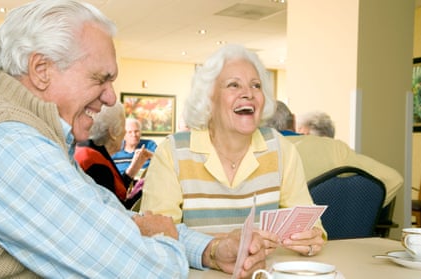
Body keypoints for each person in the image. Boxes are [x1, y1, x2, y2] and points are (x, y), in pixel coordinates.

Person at [0, 1, 268, 278]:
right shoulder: (8, 144)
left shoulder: (25, 131)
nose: (110, 97)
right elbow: (146, 271)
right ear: (41, 70)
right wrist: (164, 238)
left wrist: (210, 251)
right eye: (100, 78)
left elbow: (112, 217)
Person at [140, 44, 326, 257]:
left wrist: (311, 238)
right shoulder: (172, 152)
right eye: (233, 85)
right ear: (209, 98)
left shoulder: (280, 148)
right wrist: (217, 251)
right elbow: (156, 238)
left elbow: (312, 226)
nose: (248, 93)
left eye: (256, 86)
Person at [266, 100, 404, 207]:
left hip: (289, 239)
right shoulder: (334, 148)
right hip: (345, 238)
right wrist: (361, 213)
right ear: (294, 120)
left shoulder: (259, 153)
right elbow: (393, 179)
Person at [74, 102, 143, 209]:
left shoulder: (88, 150)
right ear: (112, 132)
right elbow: (117, 209)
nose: (125, 132)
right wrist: (145, 190)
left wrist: (133, 170)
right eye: (123, 126)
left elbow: (114, 189)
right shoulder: (95, 164)